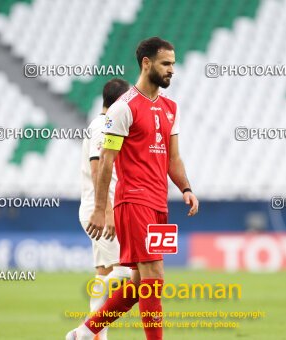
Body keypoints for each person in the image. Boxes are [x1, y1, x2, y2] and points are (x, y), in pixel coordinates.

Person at [67, 36, 199, 340]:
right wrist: (101, 209)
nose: (171, 70)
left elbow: (173, 158)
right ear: (146, 63)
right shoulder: (123, 108)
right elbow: (106, 161)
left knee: (141, 283)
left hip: (158, 204)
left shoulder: (170, 108)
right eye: (166, 64)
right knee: (155, 278)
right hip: (133, 201)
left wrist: (185, 187)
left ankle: (85, 332)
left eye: (173, 65)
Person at [78, 78, 132, 340]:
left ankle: (94, 335)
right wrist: (107, 210)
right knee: (127, 275)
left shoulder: (101, 125)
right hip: (101, 209)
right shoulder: (102, 126)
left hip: (100, 206)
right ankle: (84, 332)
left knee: (105, 272)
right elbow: (98, 167)